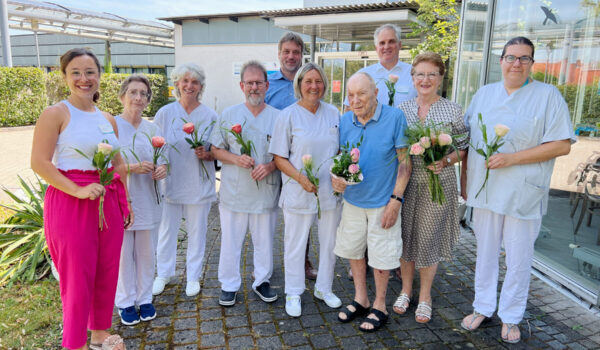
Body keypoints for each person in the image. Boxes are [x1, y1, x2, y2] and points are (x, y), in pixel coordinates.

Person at [460, 37, 574, 343]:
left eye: (524, 58)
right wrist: (463, 182)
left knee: (519, 258)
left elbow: (562, 144)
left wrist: (513, 159)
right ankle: (482, 306)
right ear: (501, 61)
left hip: (524, 191)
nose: (517, 64)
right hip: (485, 190)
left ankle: (511, 316)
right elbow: (467, 140)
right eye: (511, 57)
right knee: (484, 254)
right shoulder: (484, 94)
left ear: (532, 64)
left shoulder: (548, 96)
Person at [31, 48, 130, 350]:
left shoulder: (108, 119)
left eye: (90, 72)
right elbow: (40, 163)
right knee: (77, 276)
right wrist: (77, 190)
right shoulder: (56, 114)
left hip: (108, 201)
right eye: (76, 72)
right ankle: (74, 344)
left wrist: (125, 203)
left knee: (107, 269)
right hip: (71, 202)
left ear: (100, 76)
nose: (84, 79)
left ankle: (100, 333)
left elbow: (119, 163)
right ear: (64, 77)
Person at [333, 72, 411, 333]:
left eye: (361, 94)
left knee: (381, 257)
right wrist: (338, 180)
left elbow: (405, 163)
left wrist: (396, 200)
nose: (355, 100)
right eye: (351, 95)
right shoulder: (344, 121)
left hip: (383, 202)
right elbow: (342, 160)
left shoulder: (394, 118)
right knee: (354, 252)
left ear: (376, 93)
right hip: (353, 201)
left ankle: (380, 305)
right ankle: (361, 299)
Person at [394, 52, 468, 323]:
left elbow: (463, 148)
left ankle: (425, 295)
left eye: (431, 74)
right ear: (412, 78)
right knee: (405, 236)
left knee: (428, 238)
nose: (425, 79)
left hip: (439, 183)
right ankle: (405, 290)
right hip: (408, 182)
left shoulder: (452, 109)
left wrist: (446, 160)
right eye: (420, 74)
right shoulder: (401, 110)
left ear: (440, 78)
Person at [269, 62, 342, 317]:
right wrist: (300, 178)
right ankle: (293, 292)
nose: (314, 86)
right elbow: (279, 157)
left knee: (330, 242)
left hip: (329, 192)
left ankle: (324, 288)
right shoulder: (287, 115)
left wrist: (342, 175)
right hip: (299, 189)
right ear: (299, 84)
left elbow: (340, 152)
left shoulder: (333, 113)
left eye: (318, 81)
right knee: (295, 244)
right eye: (308, 81)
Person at [209, 61, 281, 307]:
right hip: (235, 193)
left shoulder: (278, 118)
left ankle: (262, 281)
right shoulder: (229, 115)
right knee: (231, 241)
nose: (254, 87)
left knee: (264, 241)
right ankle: (229, 285)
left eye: (259, 82)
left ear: (266, 85)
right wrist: (235, 158)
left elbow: (285, 156)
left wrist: (270, 166)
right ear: (242, 86)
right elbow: (215, 149)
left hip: (265, 193)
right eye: (249, 83)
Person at [152, 63, 217, 297]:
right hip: (170, 182)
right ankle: (163, 273)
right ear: (177, 84)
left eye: (195, 82)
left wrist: (207, 153)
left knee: (197, 232)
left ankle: (193, 276)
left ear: (201, 86)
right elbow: (155, 146)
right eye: (185, 81)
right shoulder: (165, 113)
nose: (190, 85)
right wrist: (159, 166)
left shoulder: (210, 115)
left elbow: (216, 149)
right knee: (167, 231)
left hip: (198, 183)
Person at [265, 32, 319, 281]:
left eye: (295, 52)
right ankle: (264, 262)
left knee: (302, 212)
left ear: (302, 55)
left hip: (297, 163)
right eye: (286, 51)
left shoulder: (310, 82)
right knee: (266, 213)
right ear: (279, 54)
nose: (291, 56)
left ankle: (303, 261)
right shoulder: (267, 83)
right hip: (270, 160)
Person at [114, 74, 167, 325]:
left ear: (148, 100)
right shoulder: (111, 126)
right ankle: (125, 301)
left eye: (143, 94)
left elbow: (164, 159)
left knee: (147, 253)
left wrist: (162, 169)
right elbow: (102, 166)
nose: (138, 97)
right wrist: (131, 168)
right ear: (123, 95)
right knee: (123, 254)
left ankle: (145, 298)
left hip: (148, 198)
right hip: (121, 200)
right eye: (133, 92)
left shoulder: (153, 129)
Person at [344, 23, 416, 109]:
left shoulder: (414, 74)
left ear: (399, 45)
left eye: (391, 41)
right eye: (382, 43)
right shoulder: (362, 75)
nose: (386, 46)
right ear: (376, 48)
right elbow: (349, 108)